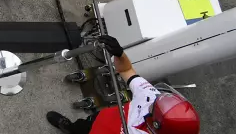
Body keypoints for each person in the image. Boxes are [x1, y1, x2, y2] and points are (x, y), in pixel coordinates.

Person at [46, 35, 200, 134]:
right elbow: (126, 70)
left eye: (154, 107)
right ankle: (69, 128)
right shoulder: (151, 97)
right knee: (81, 127)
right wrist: (119, 54)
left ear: (156, 125)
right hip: (99, 121)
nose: (153, 101)